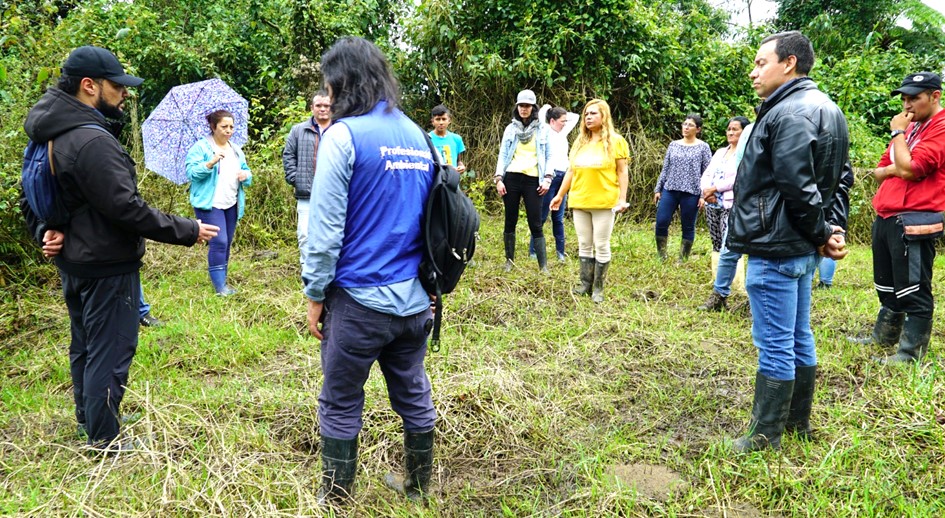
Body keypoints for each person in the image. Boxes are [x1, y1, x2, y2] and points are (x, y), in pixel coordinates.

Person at [20, 45, 218, 450]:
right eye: (117, 86)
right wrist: (187, 229)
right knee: (109, 351)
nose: (124, 94)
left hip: (75, 262)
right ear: (90, 86)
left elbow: (33, 193)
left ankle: (91, 419)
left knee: (86, 346)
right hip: (106, 263)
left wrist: (45, 229)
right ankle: (104, 438)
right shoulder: (91, 141)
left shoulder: (49, 131)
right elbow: (126, 209)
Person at [303, 36, 437, 504]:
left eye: (329, 85)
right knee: (413, 394)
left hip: (359, 302)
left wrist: (315, 294)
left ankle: (335, 501)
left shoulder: (344, 136)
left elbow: (323, 233)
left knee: (340, 400)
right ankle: (418, 490)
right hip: (417, 302)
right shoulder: (420, 136)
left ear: (341, 82)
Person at [726, 31, 850, 453]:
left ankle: (765, 435)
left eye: (761, 62)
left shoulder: (790, 113)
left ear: (789, 63)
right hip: (798, 245)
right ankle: (797, 424)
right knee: (799, 334)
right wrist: (830, 230)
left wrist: (821, 233)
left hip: (777, 245)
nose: (753, 71)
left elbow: (798, 187)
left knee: (776, 342)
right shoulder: (825, 108)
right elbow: (837, 181)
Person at [854, 71, 945, 364]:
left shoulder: (939, 128)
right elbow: (880, 170)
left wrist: (898, 137)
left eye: (914, 98)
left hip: (915, 218)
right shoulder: (913, 129)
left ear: (935, 96)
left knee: (914, 286)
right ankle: (885, 336)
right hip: (887, 212)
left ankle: (910, 353)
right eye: (904, 98)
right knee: (887, 282)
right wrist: (899, 162)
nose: (907, 106)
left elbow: (910, 169)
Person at [549, 99, 629, 302]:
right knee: (584, 243)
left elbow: (622, 171)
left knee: (601, 244)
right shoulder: (580, 142)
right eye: (586, 114)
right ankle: (585, 283)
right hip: (580, 200)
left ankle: (598, 288)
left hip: (604, 201)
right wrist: (559, 195)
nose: (588, 117)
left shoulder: (616, 141)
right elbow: (570, 171)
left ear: (604, 116)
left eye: (593, 113)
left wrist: (622, 199)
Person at [186, 109, 252, 296]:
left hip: (231, 202)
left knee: (227, 241)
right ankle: (220, 288)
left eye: (231, 126)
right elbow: (191, 173)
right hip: (210, 203)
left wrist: (246, 175)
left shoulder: (235, 149)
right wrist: (210, 163)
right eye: (224, 126)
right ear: (213, 127)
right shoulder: (201, 148)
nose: (229, 130)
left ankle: (222, 280)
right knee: (219, 241)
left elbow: (247, 172)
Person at [495, 89, 552, 272]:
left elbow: (549, 156)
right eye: (521, 106)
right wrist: (498, 179)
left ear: (533, 108)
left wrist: (548, 179)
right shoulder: (510, 129)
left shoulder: (543, 129)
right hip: (511, 178)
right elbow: (503, 155)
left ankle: (543, 266)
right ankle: (509, 261)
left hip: (533, 179)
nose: (523, 109)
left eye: (527, 106)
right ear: (517, 107)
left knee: (535, 222)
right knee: (510, 220)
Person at [653, 114, 712, 261]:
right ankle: (662, 255)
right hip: (670, 189)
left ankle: (683, 257)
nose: (686, 127)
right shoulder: (673, 145)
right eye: (684, 124)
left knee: (688, 225)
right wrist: (658, 189)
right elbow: (665, 168)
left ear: (698, 129)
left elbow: (708, 173)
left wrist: (703, 196)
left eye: (690, 125)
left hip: (691, 192)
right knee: (661, 221)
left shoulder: (703, 147)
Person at [283, 90, 332, 268]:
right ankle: (308, 270)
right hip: (306, 193)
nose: (323, 109)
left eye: (326, 106)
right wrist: (295, 178)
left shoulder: (339, 130)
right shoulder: (298, 130)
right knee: (305, 234)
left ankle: (328, 270)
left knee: (331, 234)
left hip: (333, 195)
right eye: (319, 105)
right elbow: (288, 155)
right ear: (312, 107)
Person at [529, 104, 579, 262]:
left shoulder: (562, 133)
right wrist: (547, 107)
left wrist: (561, 114)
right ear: (552, 121)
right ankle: (533, 251)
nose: (565, 123)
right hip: (550, 177)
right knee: (542, 216)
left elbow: (575, 117)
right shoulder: (545, 130)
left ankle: (560, 253)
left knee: (558, 218)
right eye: (562, 120)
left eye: (565, 120)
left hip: (563, 177)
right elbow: (542, 114)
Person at [700, 116, 750, 275]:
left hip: (730, 204)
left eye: (735, 129)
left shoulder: (746, 153)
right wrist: (706, 191)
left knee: (729, 243)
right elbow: (707, 173)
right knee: (716, 241)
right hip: (712, 203)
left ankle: (735, 283)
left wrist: (714, 189)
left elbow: (737, 178)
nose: (731, 132)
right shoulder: (721, 152)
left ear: (745, 132)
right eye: (729, 129)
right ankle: (717, 278)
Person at [428, 104, 466, 174]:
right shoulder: (427, 139)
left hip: (451, 182)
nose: (441, 122)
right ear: (432, 121)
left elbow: (458, 161)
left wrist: (461, 167)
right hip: (435, 182)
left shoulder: (456, 139)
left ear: (449, 120)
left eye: (444, 119)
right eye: (438, 119)